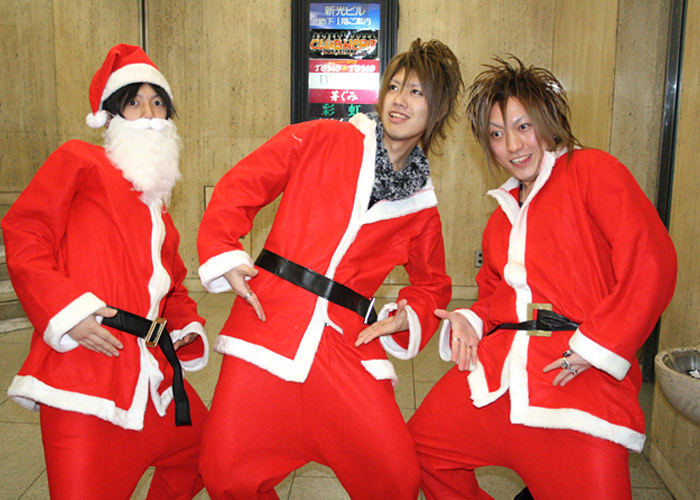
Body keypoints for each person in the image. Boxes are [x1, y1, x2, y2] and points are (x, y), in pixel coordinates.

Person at [196, 39, 463, 499]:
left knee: (395, 477)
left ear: (436, 110)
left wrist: (408, 315)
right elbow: (240, 186)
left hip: (346, 343)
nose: (399, 99)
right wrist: (225, 251)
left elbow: (433, 283)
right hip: (269, 320)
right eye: (394, 86)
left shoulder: (422, 207)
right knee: (224, 471)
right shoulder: (321, 137)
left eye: (416, 92)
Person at [407, 56, 677, 500]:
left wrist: (595, 346)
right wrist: (472, 321)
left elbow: (652, 262)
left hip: (578, 379)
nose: (512, 145)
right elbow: (495, 297)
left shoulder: (592, 172)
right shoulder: (501, 218)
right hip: (501, 373)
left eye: (523, 126)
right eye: (496, 134)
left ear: (548, 123)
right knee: (418, 449)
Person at [2, 44, 209, 500]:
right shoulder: (79, 159)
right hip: (83, 372)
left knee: (207, 450)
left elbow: (173, 284)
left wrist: (185, 326)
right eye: (135, 102)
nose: (150, 114)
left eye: (158, 103)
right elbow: (25, 232)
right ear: (111, 115)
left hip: (151, 376)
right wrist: (68, 312)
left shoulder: (157, 208)